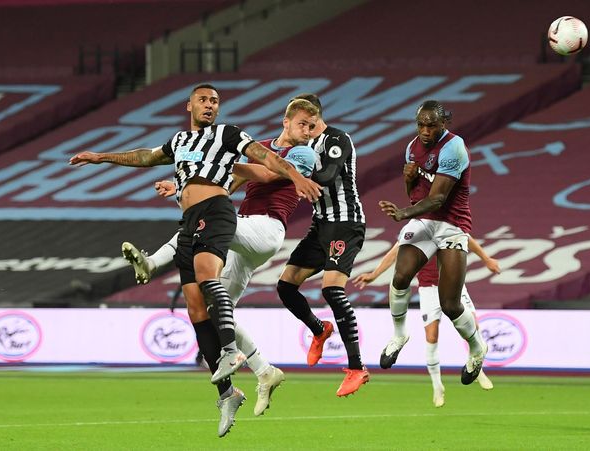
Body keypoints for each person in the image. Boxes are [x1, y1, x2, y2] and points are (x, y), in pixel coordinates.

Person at [69, 84, 320, 437]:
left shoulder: (251, 141)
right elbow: (147, 156)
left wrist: (290, 175)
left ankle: (154, 265)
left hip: (262, 228)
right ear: (189, 105)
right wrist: (105, 158)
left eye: (214, 100)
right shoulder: (186, 143)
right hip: (232, 229)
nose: (308, 132)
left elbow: (264, 170)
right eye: (203, 99)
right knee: (209, 308)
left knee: (204, 251)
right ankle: (260, 372)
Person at [378, 100, 488, 386]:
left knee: (450, 305)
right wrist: (408, 181)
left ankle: (477, 349)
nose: (425, 130)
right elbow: (417, 195)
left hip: (452, 226)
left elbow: (439, 198)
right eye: (421, 125)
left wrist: (402, 214)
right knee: (401, 276)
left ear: (444, 124)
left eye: (432, 125)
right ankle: (399, 334)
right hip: (424, 220)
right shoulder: (412, 146)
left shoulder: (454, 147)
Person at [275, 93, 369, 397]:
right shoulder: (300, 146)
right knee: (286, 286)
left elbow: (327, 175)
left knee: (331, 289)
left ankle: (357, 367)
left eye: (307, 116)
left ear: (314, 114)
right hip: (320, 225)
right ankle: (319, 329)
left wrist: (294, 171)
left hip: (346, 222)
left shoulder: (336, 139)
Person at [352, 238, 498, 407]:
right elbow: (395, 252)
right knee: (431, 336)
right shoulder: (417, 229)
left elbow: (467, 239)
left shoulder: (447, 225)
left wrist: (486, 259)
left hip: (453, 282)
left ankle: (477, 366)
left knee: (473, 325)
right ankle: (437, 386)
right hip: (428, 288)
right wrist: (374, 275)